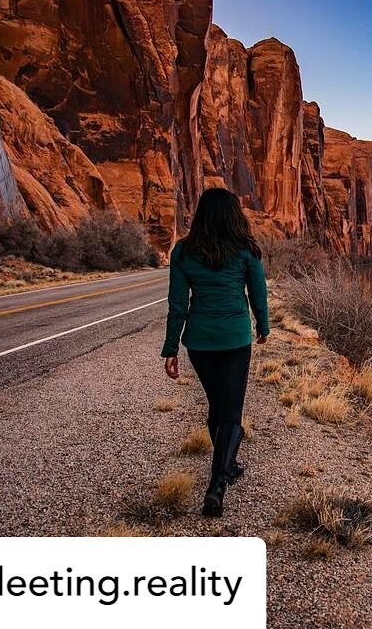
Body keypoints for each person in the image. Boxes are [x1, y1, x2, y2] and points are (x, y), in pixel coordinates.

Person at [161, 188, 270, 517]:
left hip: (199, 342)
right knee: (232, 412)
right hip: (236, 339)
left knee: (217, 408)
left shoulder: (183, 252)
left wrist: (171, 349)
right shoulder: (246, 250)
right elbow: (258, 294)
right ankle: (217, 484)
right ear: (234, 215)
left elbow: (177, 305)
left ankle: (229, 466)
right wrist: (263, 326)